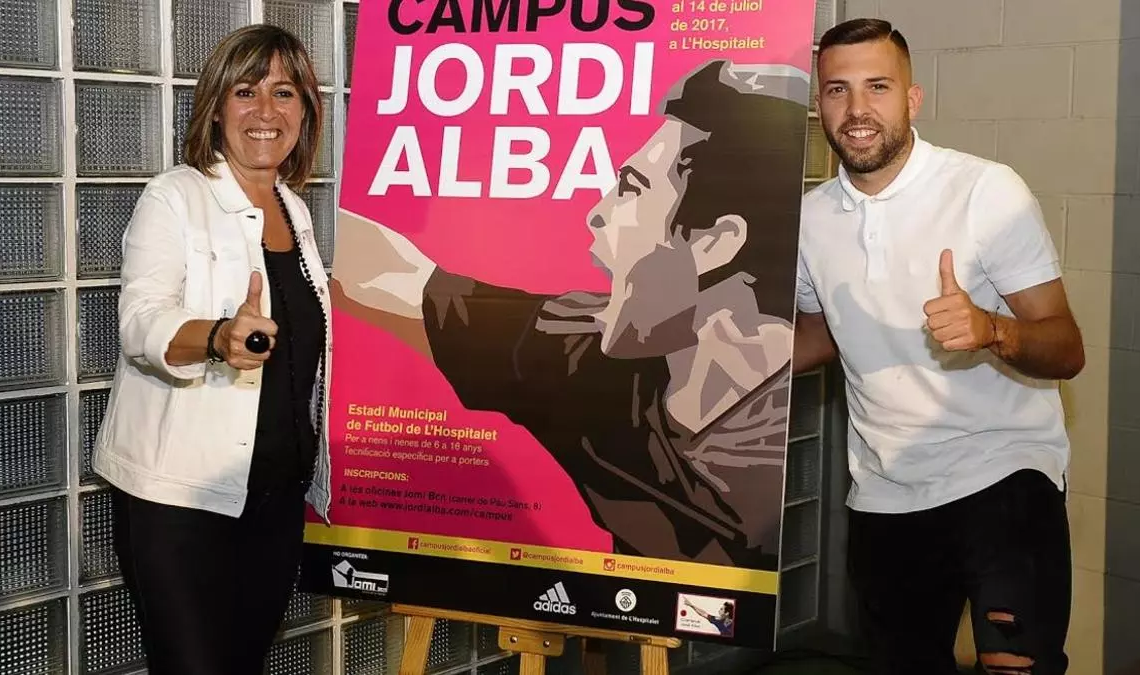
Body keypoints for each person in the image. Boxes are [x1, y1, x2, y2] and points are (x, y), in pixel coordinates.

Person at [330, 60, 808, 570]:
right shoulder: (588, 359)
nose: (596, 213)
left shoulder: (771, 465)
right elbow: (392, 276)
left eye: (631, 188)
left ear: (713, 242)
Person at [793, 18, 1085, 675]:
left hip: (1004, 472)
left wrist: (991, 328)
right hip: (885, 490)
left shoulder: (986, 190)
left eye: (878, 87)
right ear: (820, 104)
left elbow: (1067, 347)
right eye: (838, 90)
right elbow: (821, 334)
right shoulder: (811, 219)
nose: (857, 109)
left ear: (912, 98)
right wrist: (718, 356)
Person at [92, 24, 333, 675]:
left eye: (284, 92)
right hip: (182, 500)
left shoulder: (294, 210)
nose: (265, 111)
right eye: (246, 91)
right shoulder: (176, 195)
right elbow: (142, 322)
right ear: (217, 107)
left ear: (305, 111)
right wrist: (220, 336)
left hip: (276, 498)